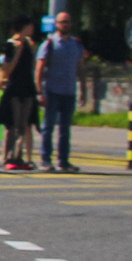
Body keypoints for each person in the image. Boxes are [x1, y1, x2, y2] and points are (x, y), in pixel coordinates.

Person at [38, 10, 86, 173]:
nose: (65, 24)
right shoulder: (50, 44)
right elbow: (39, 68)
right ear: (56, 24)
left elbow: (80, 67)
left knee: (65, 129)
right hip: (52, 91)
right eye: (62, 22)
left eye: (68, 21)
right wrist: (40, 91)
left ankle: (63, 161)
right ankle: (45, 160)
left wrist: (83, 89)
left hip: (69, 92)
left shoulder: (76, 44)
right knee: (48, 127)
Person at [0, 19, 41, 170]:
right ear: (23, 27)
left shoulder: (29, 43)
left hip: (27, 87)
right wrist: (17, 53)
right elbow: (6, 69)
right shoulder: (11, 44)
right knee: (13, 123)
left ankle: (19, 155)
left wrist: (32, 51)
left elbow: (33, 66)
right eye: (30, 25)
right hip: (14, 88)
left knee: (24, 123)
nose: (32, 28)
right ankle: (8, 156)